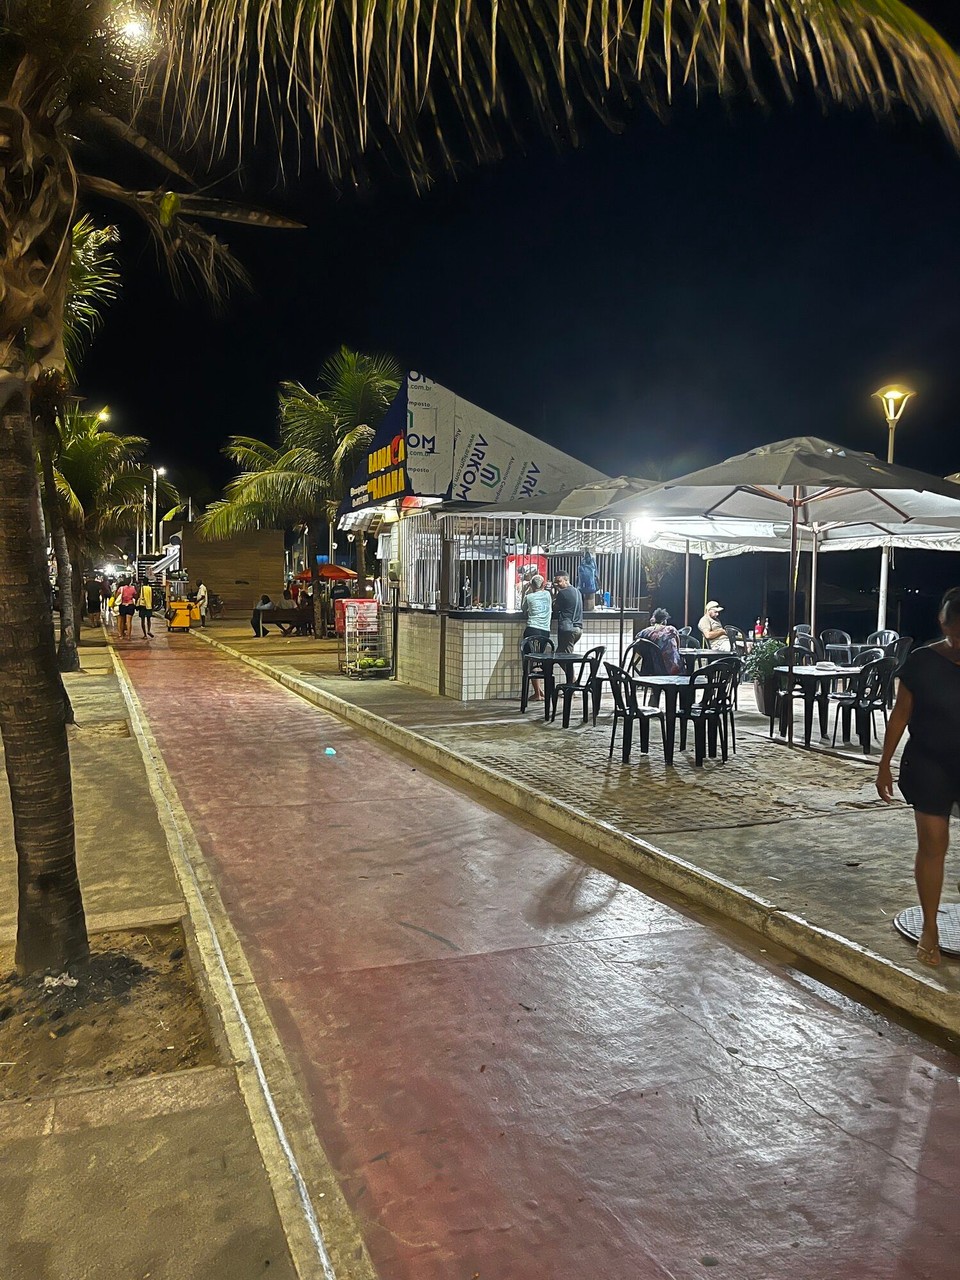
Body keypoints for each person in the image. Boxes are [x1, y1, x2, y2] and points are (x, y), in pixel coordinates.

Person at [877, 588, 960, 968]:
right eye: (954, 630)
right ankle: (929, 926)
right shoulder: (923, 661)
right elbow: (900, 714)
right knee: (933, 842)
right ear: (942, 623)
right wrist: (884, 763)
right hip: (929, 762)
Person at [521, 573, 553, 702]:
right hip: (545, 632)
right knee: (539, 659)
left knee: (531, 661)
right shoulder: (548, 595)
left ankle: (537, 694)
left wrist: (524, 591)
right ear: (544, 585)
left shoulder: (529, 597)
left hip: (532, 630)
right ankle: (540, 691)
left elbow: (523, 609)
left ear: (531, 585)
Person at [638, 607, 683, 675]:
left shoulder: (645, 631)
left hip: (653, 667)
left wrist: (645, 655)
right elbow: (677, 644)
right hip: (674, 667)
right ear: (664, 620)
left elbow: (636, 643)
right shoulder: (671, 629)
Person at [552, 572, 583, 654]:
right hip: (578, 629)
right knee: (562, 653)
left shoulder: (562, 593)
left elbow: (554, 607)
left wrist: (555, 593)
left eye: (559, 581)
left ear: (566, 580)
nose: (557, 584)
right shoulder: (577, 591)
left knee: (564, 657)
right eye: (555, 582)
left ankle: (570, 667)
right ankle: (569, 667)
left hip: (568, 628)